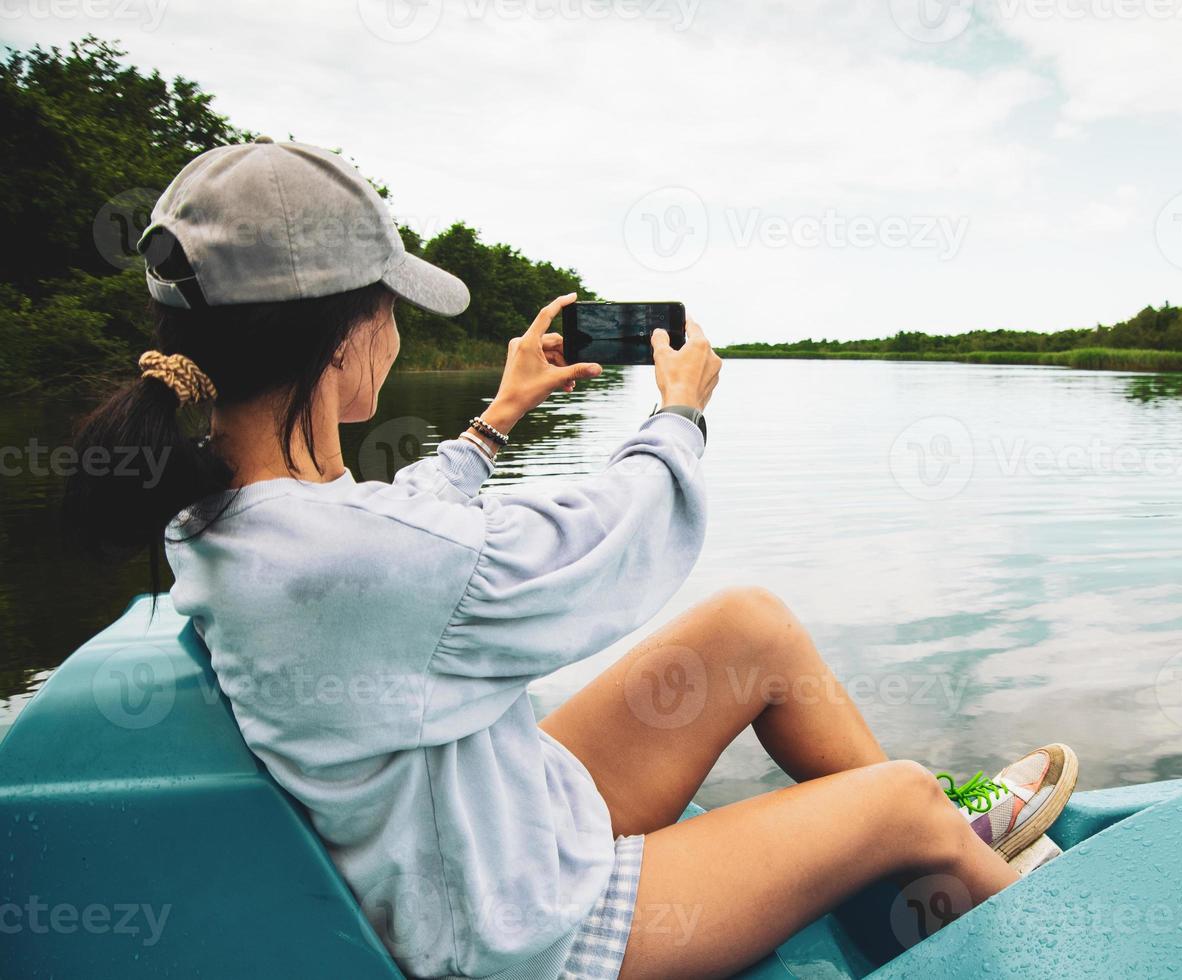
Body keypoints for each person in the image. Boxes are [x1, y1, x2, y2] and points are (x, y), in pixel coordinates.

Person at [65, 138, 1079, 980]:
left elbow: (394, 527)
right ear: (342, 331)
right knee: (896, 795)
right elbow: (605, 539)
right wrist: (678, 416)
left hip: (490, 838)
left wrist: (496, 421)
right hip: (523, 934)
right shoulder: (354, 561)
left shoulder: (239, 515)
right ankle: (998, 883)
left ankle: (943, 841)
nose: (396, 330)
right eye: (390, 305)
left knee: (749, 629)